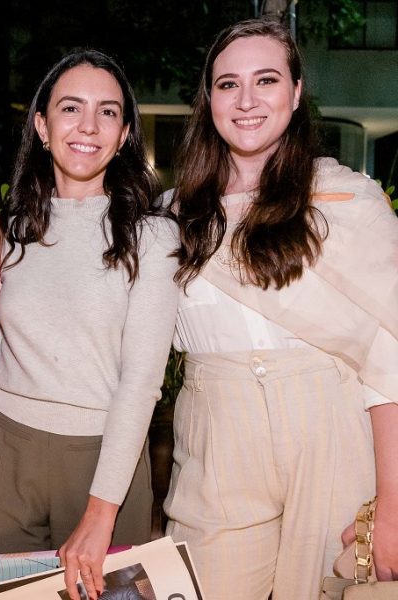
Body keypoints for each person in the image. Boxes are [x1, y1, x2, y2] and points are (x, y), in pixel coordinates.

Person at [164, 18, 398, 600]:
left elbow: (389, 359)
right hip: (214, 434)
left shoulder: (350, 202)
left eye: (266, 80)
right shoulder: (171, 216)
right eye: (227, 84)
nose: (246, 101)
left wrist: (394, 504)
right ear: (209, 99)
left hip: (332, 428)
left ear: (295, 94)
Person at [0, 49, 179, 600]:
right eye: (70, 108)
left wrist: (102, 510)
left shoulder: (153, 239)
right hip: (3, 452)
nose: (88, 126)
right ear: (41, 125)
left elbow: (141, 382)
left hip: (107, 458)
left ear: (125, 131)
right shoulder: (7, 232)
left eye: (108, 112)